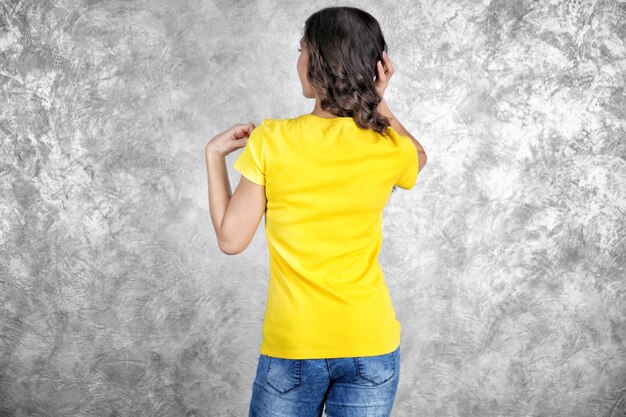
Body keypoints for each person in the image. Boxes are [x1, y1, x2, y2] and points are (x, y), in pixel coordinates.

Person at [205, 6, 427, 417]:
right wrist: (380, 103)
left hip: (294, 347)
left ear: (320, 62)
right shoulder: (387, 147)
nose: (298, 60)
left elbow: (230, 239)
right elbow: (418, 156)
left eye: (302, 49)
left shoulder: (272, 140)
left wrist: (214, 154)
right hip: (370, 343)